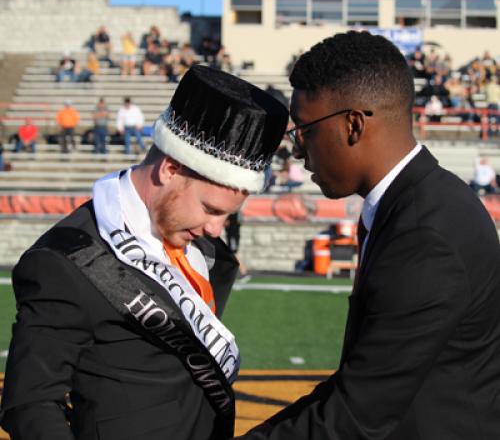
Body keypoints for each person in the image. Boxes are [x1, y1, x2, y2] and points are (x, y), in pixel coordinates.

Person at [0, 64, 289, 440]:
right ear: (170, 168)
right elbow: (29, 402)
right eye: (210, 209)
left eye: (226, 215)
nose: (216, 230)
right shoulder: (63, 262)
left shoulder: (201, 244)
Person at [236, 31, 500, 439]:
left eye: (304, 129)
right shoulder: (414, 203)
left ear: (354, 125)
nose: (297, 148)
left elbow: (357, 414)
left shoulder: (425, 234)